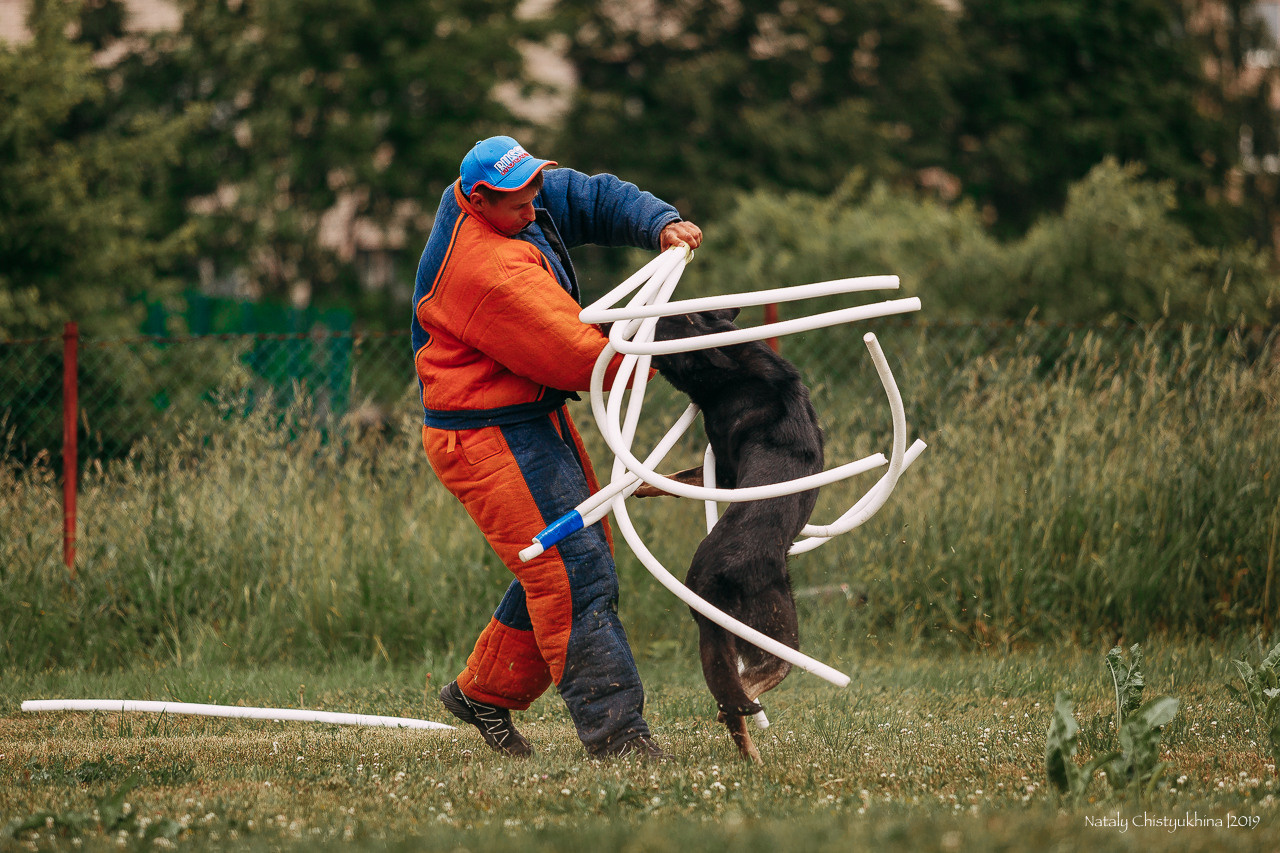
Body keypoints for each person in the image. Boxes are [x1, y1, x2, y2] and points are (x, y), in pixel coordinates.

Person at [411, 136, 702, 758]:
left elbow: (588, 196)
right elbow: (584, 359)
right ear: (482, 200)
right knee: (572, 574)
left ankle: (483, 694)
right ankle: (618, 738)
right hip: (485, 436)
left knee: (567, 559)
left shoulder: (508, 197)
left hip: (526, 416)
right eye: (520, 202)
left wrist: (661, 224)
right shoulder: (488, 272)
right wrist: (683, 350)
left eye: (535, 189)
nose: (535, 207)